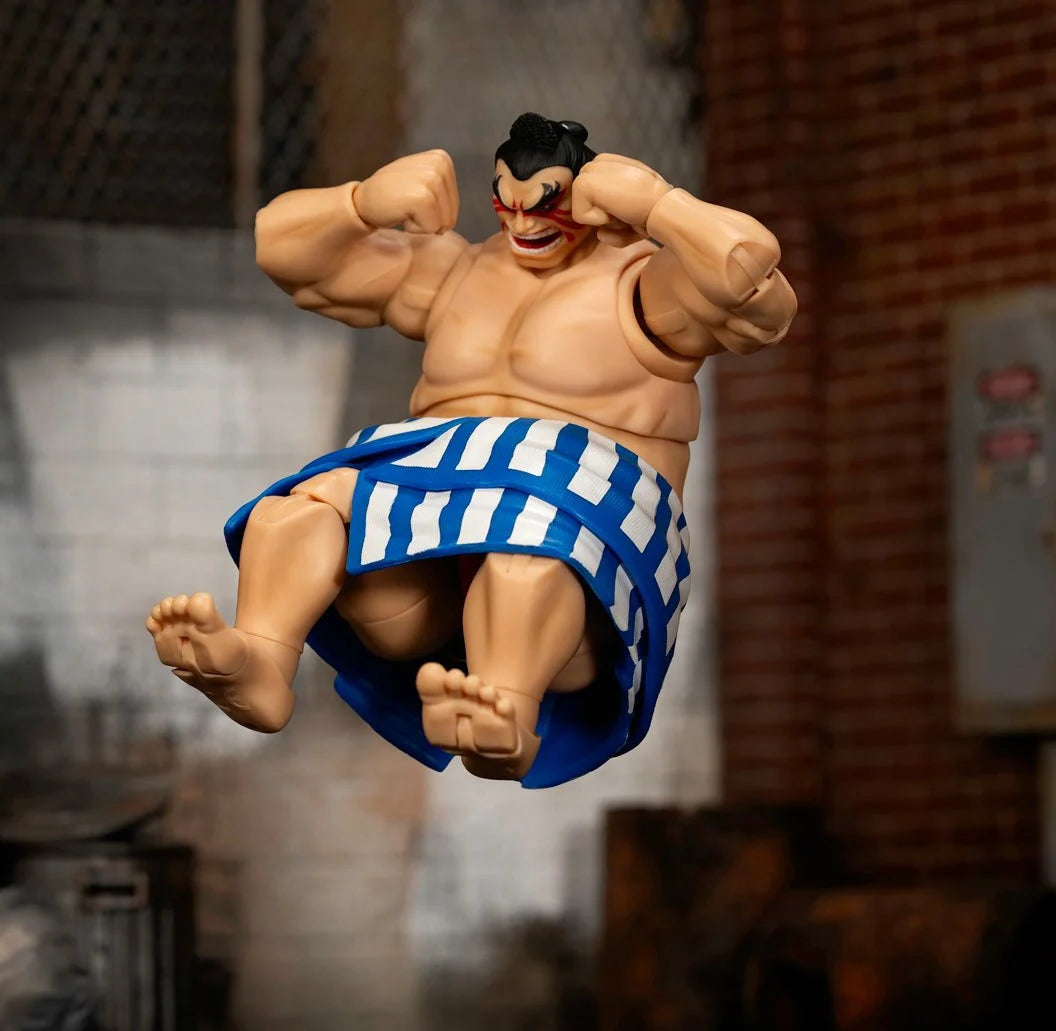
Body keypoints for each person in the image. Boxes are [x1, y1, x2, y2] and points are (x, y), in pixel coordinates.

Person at [147, 113, 796, 787]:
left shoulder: (643, 285)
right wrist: (360, 204)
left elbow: (761, 301)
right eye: (506, 202)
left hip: (575, 531)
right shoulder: (460, 269)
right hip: (436, 512)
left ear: (587, 197)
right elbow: (289, 257)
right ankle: (261, 661)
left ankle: (503, 714)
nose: (524, 223)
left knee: (528, 553)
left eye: (544, 202)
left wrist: (660, 205)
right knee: (298, 512)